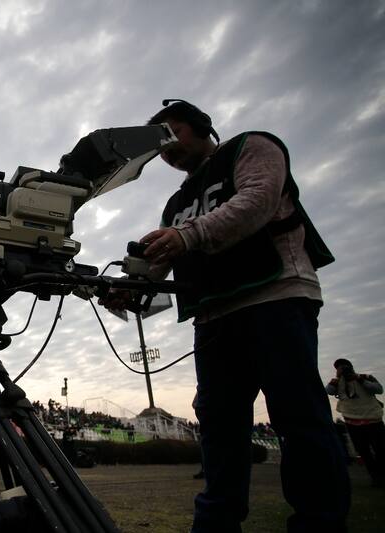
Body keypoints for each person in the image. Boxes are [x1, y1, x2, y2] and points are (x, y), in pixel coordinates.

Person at [100, 100, 349, 532]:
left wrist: (186, 235)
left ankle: (320, 522)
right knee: (219, 429)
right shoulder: (177, 202)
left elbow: (257, 201)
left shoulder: (251, 147)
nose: (167, 150)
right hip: (214, 315)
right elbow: (161, 262)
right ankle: (214, 526)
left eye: (172, 134)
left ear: (201, 127)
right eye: (160, 145)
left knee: (298, 417)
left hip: (275, 295)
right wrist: (128, 288)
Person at [326, 358, 385, 487]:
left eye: (344, 367)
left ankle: (381, 473)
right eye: (339, 368)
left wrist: (359, 378)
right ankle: (375, 477)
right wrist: (337, 378)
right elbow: (329, 391)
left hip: (373, 419)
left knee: (380, 449)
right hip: (352, 421)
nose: (343, 369)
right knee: (363, 451)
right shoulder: (337, 383)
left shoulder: (365, 378)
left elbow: (378, 389)